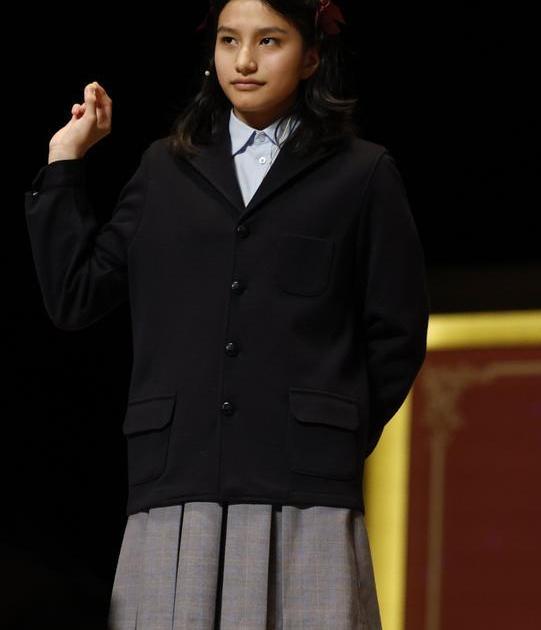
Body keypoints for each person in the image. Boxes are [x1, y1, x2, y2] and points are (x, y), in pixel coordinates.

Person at [23, 0, 429, 626]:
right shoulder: (165, 168)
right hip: (177, 483)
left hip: (304, 492)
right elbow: (75, 296)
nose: (244, 61)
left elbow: (396, 331)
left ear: (311, 57)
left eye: (269, 41)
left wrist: (333, 430)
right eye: (228, 40)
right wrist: (65, 161)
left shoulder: (362, 173)